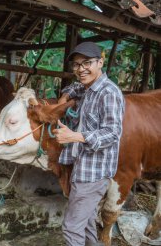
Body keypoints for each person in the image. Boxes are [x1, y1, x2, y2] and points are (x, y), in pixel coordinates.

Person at [53, 42, 125, 246]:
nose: (80, 69)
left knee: (72, 227)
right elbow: (73, 86)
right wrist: (64, 98)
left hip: (94, 173)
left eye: (87, 63)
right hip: (82, 168)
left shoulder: (108, 93)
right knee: (85, 224)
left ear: (100, 62)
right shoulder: (86, 87)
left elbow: (113, 133)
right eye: (76, 65)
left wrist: (76, 136)